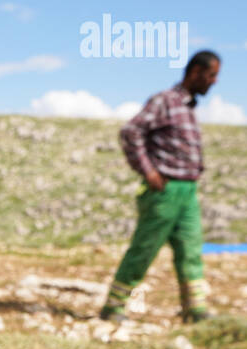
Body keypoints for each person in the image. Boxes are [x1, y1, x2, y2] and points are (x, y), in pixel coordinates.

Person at [100, 50, 221, 323]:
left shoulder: (188, 108)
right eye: (212, 75)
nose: (214, 82)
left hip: (188, 192)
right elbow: (131, 131)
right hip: (164, 191)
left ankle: (195, 309)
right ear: (195, 73)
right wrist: (149, 171)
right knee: (145, 248)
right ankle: (113, 306)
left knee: (190, 249)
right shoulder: (165, 101)